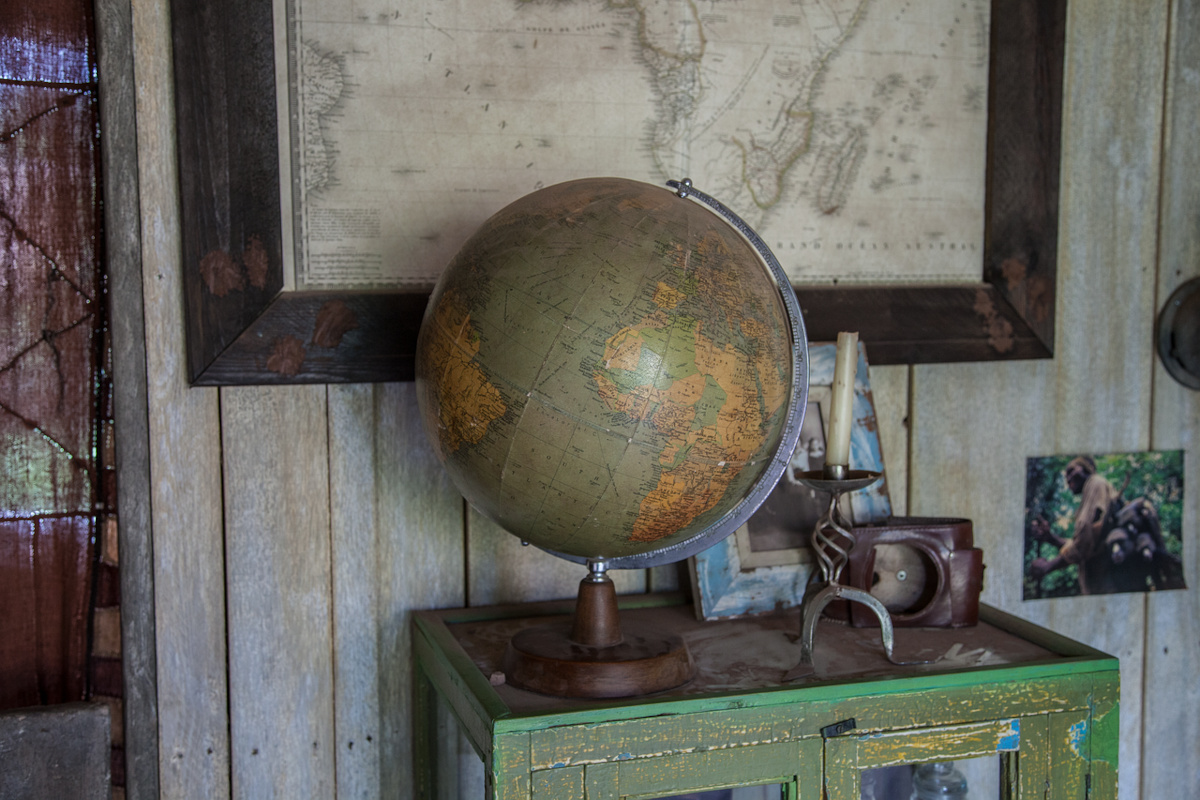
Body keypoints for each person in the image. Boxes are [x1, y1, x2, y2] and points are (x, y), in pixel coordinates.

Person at [1029, 456, 1121, 594]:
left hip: (1109, 584)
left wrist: (1049, 566)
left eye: (1072, 470)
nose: (1068, 477)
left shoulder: (1095, 483)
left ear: (1086, 469)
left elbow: (1085, 540)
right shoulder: (1090, 494)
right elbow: (1083, 544)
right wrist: (1050, 538)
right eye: (1066, 475)